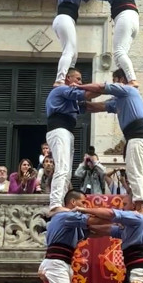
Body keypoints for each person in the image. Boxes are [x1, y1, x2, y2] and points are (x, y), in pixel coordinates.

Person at [39, 190, 91, 283]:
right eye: (82, 203)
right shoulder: (66, 216)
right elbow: (92, 221)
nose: (85, 206)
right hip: (57, 264)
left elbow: (93, 229)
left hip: (60, 263)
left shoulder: (68, 219)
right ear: (73, 202)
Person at [45, 72, 89, 208]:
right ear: (68, 78)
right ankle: (55, 204)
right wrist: (105, 88)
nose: (80, 82)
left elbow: (90, 105)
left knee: (67, 172)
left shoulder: (71, 100)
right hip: (59, 129)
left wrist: (111, 104)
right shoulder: (62, 89)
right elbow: (86, 94)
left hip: (67, 132)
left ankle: (62, 200)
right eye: (78, 79)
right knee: (62, 168)